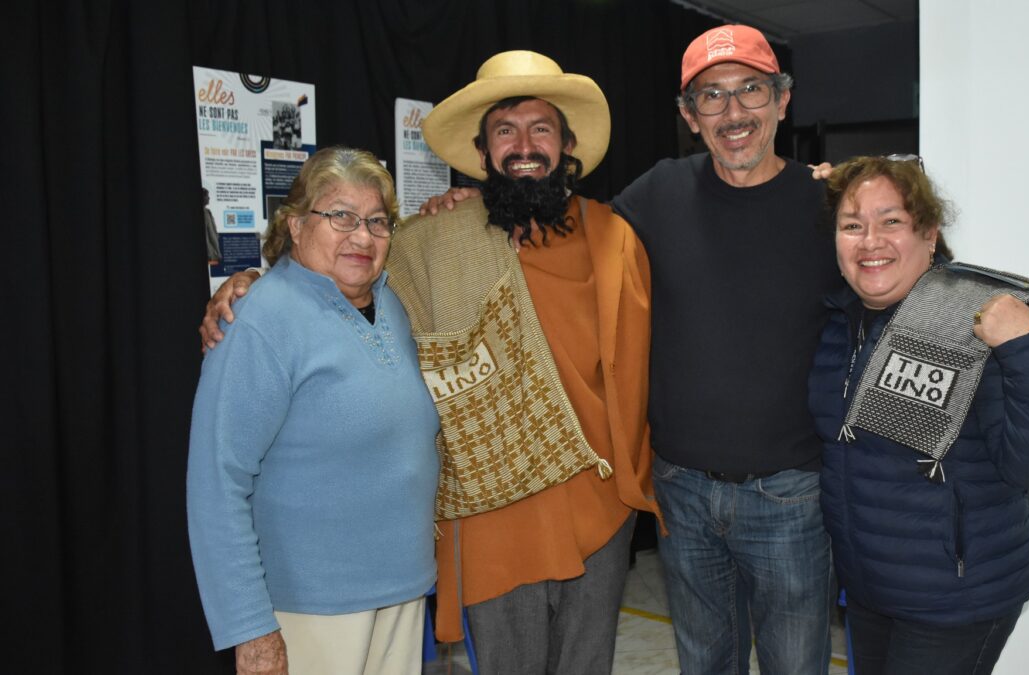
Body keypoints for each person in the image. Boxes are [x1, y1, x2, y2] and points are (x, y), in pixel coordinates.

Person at [201, 52, 659, 674]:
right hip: (495, 523)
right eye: (505, 131)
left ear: (568, 144)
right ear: (482, 151)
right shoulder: (434, 246)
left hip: (602, 512)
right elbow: (323, 276)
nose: (524, 146)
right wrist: (248, 282)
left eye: (541, 129)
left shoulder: (615, 238)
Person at [419, 25, 841, 674]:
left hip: (757, 495)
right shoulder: (653, 198)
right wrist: (248, 284)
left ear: (783, 101)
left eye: (750, 90)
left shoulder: (825, 207)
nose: (732, 113)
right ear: (688, 117)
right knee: (700, 661)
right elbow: (367, 302)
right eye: (711, 97)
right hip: (654, 495)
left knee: (793, 662)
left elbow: (900, 266)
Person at [810, 155, 1029, 675]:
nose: (870, 240)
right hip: (870, 593)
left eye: (891, 221)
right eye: (852, 225)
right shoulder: (837, 323)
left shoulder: (974, 321)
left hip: (957, 599)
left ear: (930, 234)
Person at [187, 146, 439, 675]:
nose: (363, 236)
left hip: (401, 595)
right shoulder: (258, 320)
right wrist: (250, 630)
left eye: (376, 221)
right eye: (341, 216)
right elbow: (216, 483)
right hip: (310, 611)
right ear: (296, 225)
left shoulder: (389, 304)